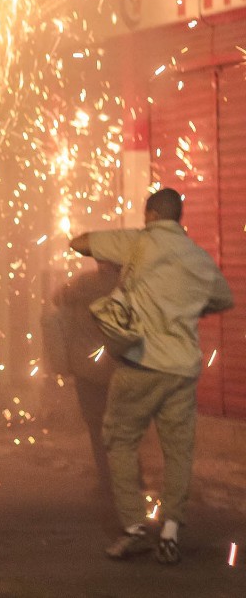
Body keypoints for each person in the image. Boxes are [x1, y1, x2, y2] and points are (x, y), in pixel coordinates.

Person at [70, 188, 234, 565]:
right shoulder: (197, 257)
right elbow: (223, 298)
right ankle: (172, 531)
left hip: (141, 364)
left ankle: (134, 528)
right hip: (182, 369)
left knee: (119, 439)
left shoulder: (137, 242)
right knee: (178, 451)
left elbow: (79, 243)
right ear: (178, 218)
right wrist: (187, 303)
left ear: (149, 215)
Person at [41, 261, 121, 489]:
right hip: (118, 367)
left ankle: (106, 478)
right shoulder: (125, 284)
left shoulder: (82, 283)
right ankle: (131, 478)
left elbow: (56, 299)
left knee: (95, 424)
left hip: (86, 366)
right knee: (124, 426)